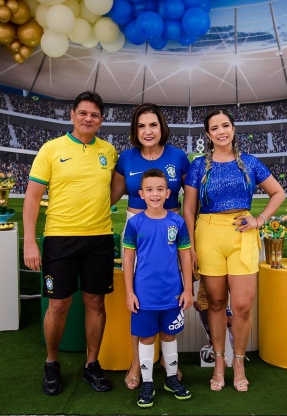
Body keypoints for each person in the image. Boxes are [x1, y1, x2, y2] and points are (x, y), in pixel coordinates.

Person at [183, 108, 285, 392]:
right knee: (215, 303)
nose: (221, 132)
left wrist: (259, 220)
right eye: (214, 128)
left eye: (225, 125)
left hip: (242, 233)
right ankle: (219, 362)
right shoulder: (198, 166)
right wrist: (190, 247)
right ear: (208, 134)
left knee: (241, 306)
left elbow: (278, 192)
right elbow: (189, 209)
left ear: (233, 129)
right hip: (208, 233)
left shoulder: (250, 162)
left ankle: (238, 363)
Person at [23, 91, 118, 396]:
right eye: (83, 113)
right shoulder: (51, 149)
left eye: (95, 115)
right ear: (73, 115)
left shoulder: (109, 151)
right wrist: (30, 242)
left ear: (101, 120)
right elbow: (32, 198)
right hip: (60, 238)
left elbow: (113, 190)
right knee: (58, 304)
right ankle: (51, 363)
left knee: (95, 302)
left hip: (99, 238)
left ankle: (92, 364)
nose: (89, 119)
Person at [110, 103, 190, 390]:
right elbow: (109, 197)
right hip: (137, 229)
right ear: (135, 129)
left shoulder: (178, 157)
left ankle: (169, 364)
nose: (147, 131)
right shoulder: (126, 158)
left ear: (161, 127)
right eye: (141, 125)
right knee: (139, 299)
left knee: (171, 293)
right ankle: (137, 362)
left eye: (153, 124)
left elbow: (191, 199)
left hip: (171, 231)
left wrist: (191, 239)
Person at [123, 168, 193, 408]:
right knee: (146, 337)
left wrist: (187, 290)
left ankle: (171, 378)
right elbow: (128, 259)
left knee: (169, 335)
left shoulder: (177, 222)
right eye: (150, 190)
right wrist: (130, 292)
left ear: (168, 193)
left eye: (160, 189)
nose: (155, 194)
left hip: (172, 294)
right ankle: (147, 382)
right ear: (141, 194)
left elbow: (185, 256)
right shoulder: (135, 223)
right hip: (144, 296)